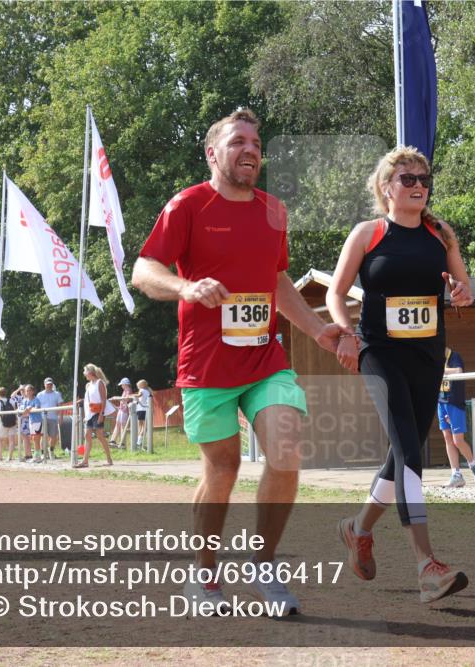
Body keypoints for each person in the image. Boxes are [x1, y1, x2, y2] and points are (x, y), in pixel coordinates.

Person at [132, 107, 346, 617]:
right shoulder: (187, 205)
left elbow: (276, 282)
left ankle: (264, 564)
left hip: (264, 359)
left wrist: (317, 329)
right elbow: (144, 269)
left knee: (286, 447)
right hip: (206, 366)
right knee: (222, 469)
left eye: (255, 141)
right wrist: (186, 286)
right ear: (212, 153)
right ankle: (204, 576)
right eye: (237, 142)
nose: (250, 149)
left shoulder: (274, 210)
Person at [326, 145, 475, 604]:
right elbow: (335, 293)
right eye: (407, 179)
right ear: (386, 187)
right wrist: (347, 334)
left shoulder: (441, 234)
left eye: (423, 179)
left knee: (401, 455)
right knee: (411, 452)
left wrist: (461, 290)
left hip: (428, 355)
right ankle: (426, 565)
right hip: (380, 353)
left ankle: (358, 527)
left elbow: (463, 286)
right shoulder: (368, 233)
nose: (417, 187)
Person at [439, 347, 475, 487]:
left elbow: (459, 371)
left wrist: (438, 371)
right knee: (447, 437)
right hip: (441, 402)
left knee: (458, 440)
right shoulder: (432, 356)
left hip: (454, 402)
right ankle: (456, 474)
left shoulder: (454, 356)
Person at [74, 363, 114, 468]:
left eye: (85, 372)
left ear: (90, 373)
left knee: (100, 435)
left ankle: (109, 459)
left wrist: (101, 414)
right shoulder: (90, 385)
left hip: (98, 412)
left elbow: (103, 400)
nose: (84, 374)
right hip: (90, 414)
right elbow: (89, 400)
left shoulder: (99, 383)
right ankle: (85, 461)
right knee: (87, 435)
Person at [37, 377, 64, 457]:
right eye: (47, 384)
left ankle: (51, 450)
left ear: (52, 384)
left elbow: (60, 406)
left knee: (54, 436)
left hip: (53, 418)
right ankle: (43, 453)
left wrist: (61, 417)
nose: (49, 385)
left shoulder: (57, 394)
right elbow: (37, 406)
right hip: (42, 418)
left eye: (50, 384)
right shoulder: (40, 394)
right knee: (43, 436)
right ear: (44, 385)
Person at [22, 384, 45, 463]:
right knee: (33, 439)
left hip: (37, 421)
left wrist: (30, 408)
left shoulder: (36, 399)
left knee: (36, 439)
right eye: (26, 391)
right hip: (31, 421)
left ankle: (37, 457)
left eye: (29, 390)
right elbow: (22, 411)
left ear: (32, 391)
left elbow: (37, 408)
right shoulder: (25, 400)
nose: (27, 392)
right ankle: (36, 456)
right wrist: (27, 409)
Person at [110, 378, 134, 449]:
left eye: (122, 384)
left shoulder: (129, 390)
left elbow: (127, 399)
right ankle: (113, 440)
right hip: (121, 409)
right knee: (118, 424)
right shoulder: (125, 391)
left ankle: (122, 443)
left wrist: (116, 398)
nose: (121, 386)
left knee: (123, 426)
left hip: (125, 410)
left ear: (125, 384)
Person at [133, 379, 152, 450]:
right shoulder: (147, 391)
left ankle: (139, 442)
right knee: (144, 427)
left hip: (140, 410)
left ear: (141, 385)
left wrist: (132, 395)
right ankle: (139, 442)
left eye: (138, 385)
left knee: (141, 427)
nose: (137, 387)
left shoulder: (142, 390)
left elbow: (139, 395)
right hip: (144, 410)